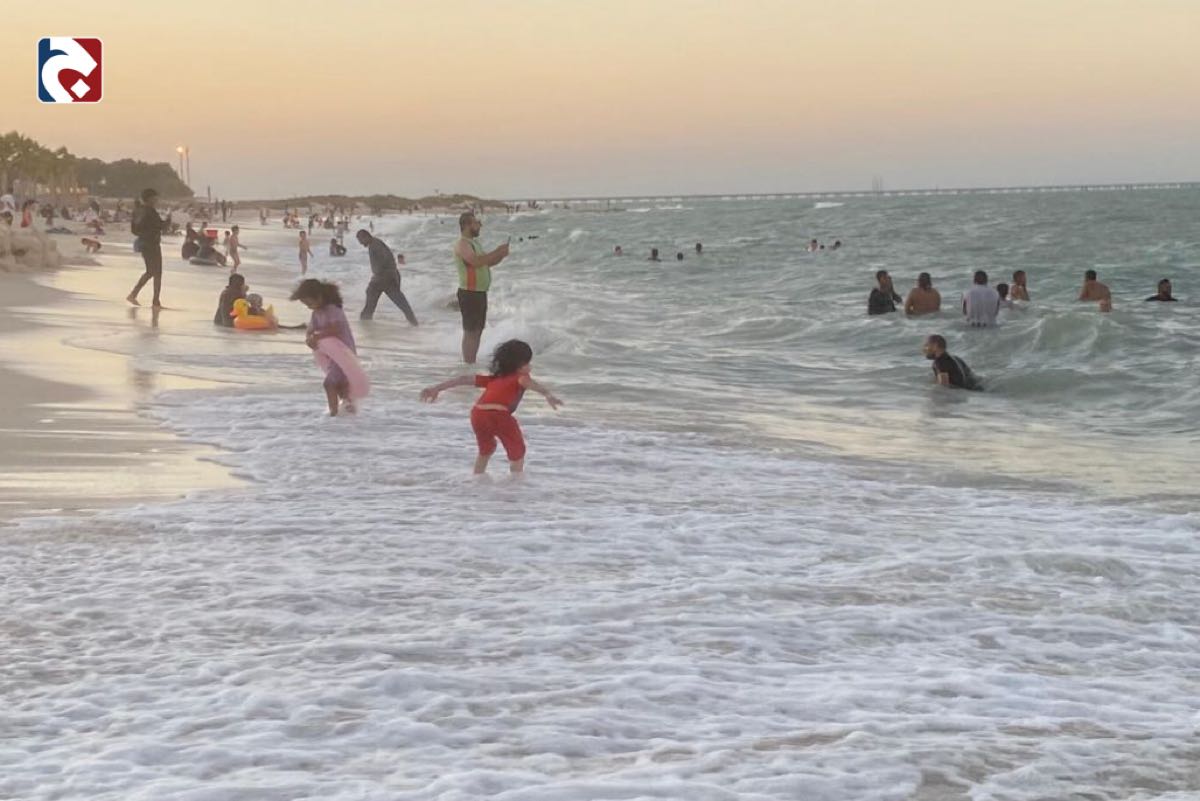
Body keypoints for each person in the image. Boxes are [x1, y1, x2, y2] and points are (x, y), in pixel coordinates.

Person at [420, 339, 563, 475]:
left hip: (478, 414)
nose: (530, 366)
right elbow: (531, 384)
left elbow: (463, 379)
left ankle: (477, 476)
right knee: (517, 449)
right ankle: (516, 481)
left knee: (486, 449)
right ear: (519, 366)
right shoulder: (521, 377)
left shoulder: (493, 380)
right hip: (498, 414)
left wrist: (436, 388)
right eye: (527, 363)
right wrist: (547, 394)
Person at [292, 278, 358, 416]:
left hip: (344, 353)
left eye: (309, 303)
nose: (309, 307)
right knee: (340, 386)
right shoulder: (316, 313)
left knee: (329, 383)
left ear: (319, 296)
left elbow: (335, 329)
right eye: (306, 304)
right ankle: (349, 413)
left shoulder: (333, 310)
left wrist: (317, 336)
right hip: (330, 356)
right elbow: (310, 330)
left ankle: (333, 414)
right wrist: (309, 339)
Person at [454, 212, 510, 363]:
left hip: (479, 292)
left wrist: (500, 256)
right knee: (470, 331)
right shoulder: (462, 244)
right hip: (469, 292)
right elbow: (476, 261)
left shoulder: (474, 244)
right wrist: (497, 251)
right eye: (477, 223)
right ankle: (468, 363)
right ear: (467, 225)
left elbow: (487, 263)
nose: (480, 225)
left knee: (478, 330)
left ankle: (471, 361)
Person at [357, 229, 418, 325]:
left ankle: (364, 326)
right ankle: (414, 324)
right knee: (402, 304)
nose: (360, 243)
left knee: (371, 303)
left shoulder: (375, 245)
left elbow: (385, 260)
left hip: (385, 278)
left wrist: (378, 274)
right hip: (387, 277)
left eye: (360, 240)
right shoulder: (374, 243)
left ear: (366, 237)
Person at [127, 189, 168, 307]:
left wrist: (143, 234)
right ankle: (155, 301)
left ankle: (134, 294)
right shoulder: (150, 211)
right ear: (150, 198)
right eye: (155, 197)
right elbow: (160, 226)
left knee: (150, 271)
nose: (157, 200)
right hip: (152, 244)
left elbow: (134, 230)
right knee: (157, 272)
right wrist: (169, 221)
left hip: (143, 243)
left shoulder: (137, 211)